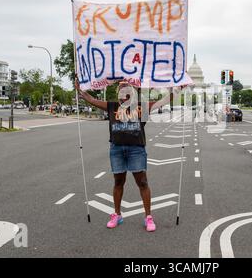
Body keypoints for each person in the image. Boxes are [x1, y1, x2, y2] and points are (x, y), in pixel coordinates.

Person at [75, 78, 177, 232]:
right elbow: (91, 99)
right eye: (120, 89)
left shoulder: (142, 107)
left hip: (136, 149)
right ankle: (117, 214)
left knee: (142, 182)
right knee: (118, 182)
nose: (123, 92)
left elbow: (165, 100)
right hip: (117, 149)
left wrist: (175, 88)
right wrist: (80, 89)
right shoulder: (111, 106)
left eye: (126, 89)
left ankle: (148, 217)